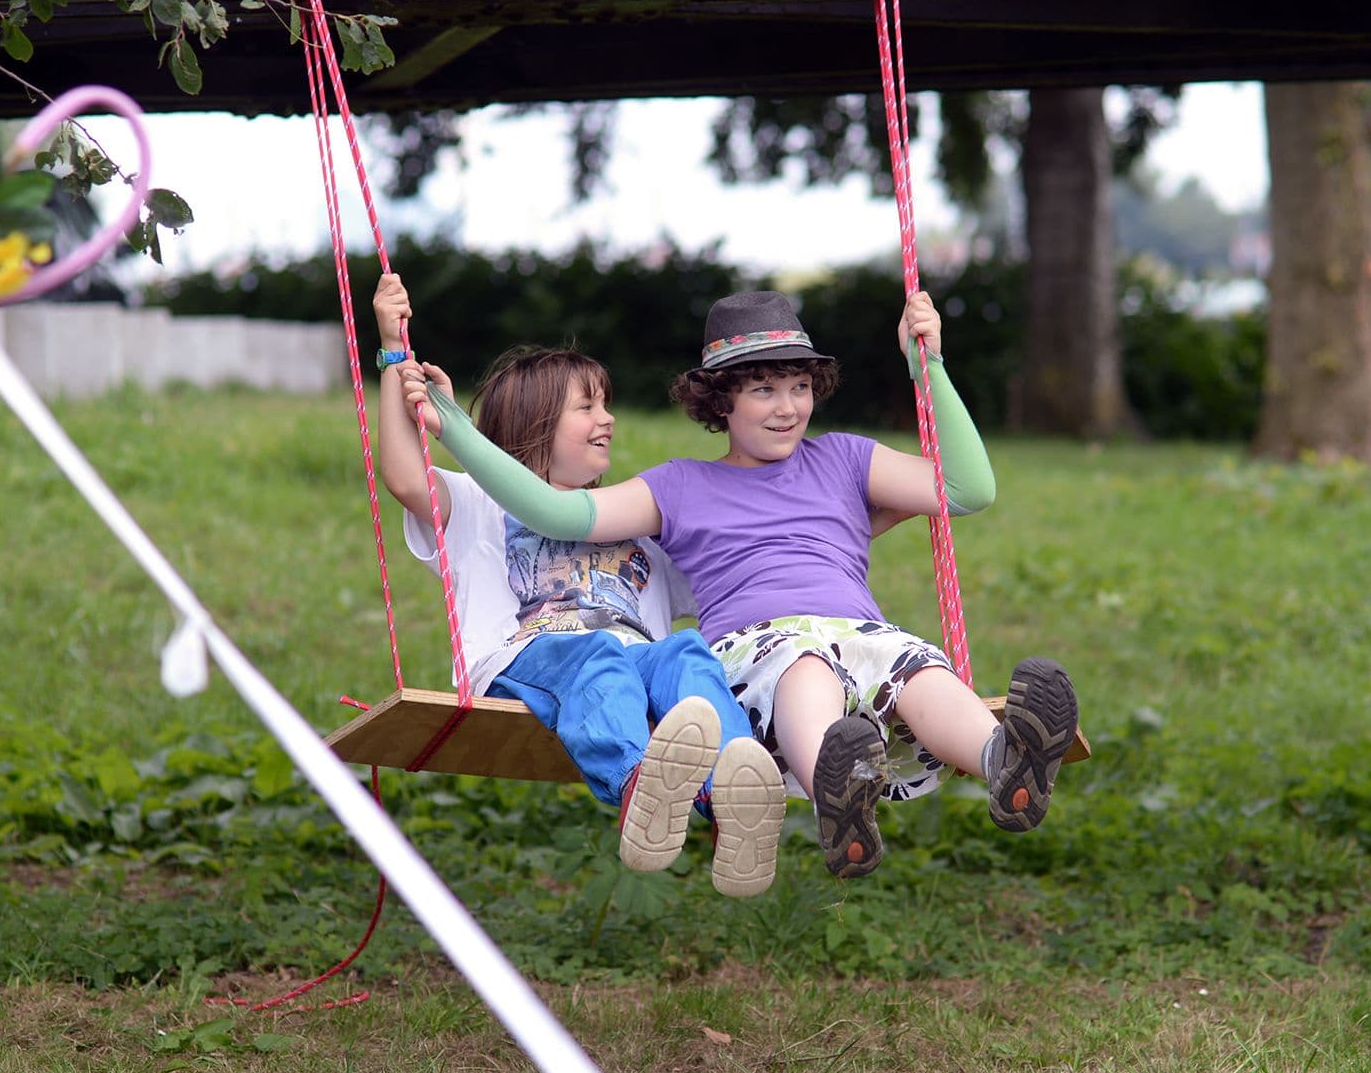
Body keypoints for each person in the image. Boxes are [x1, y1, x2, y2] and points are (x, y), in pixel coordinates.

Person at [404, 286, 1081, 879]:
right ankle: (834, 794)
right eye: (763, 389)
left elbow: (965, 489)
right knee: (802, 665)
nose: (787, 407)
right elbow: (555, 511)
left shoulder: (845, 460)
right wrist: (456, 429)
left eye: (799, 387)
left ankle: (1004, 762)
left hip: (861, 629)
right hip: (759, 647)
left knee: (916, 668)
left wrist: (926, 367)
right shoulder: (678, 487)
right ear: (719, 401)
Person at [372, 274, 786, 898]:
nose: (608, 419)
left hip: (631, 656)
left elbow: (735, 564)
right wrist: (393, 353)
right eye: (587, 406)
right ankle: (637, 787)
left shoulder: (634, 519)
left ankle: (729, 795)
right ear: (534, 423)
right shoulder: (479, 502)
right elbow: (405, 477)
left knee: (684, 653)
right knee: (597, 657)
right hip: (529, 660)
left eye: (606, 404)